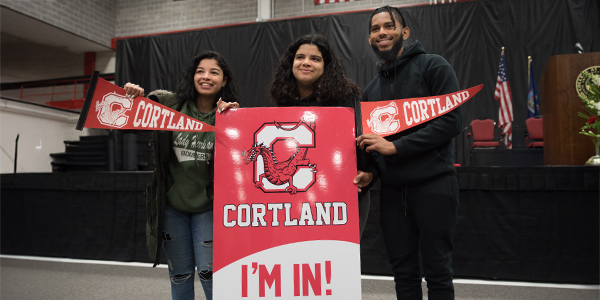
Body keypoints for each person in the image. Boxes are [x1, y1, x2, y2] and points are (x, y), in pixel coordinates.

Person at [356, 6, 462, 300]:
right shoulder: (371, 90)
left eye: (388, 26)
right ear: (369, 39)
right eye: (375, 29)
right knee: (403, 273)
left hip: (435, 185)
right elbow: (373, 147)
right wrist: (371, 172)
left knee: (438, 270)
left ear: (404, 32)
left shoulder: (434, 66)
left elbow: (452, 121)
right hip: (392, 193)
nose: (381, 33)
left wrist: (397, 147)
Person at [124, 51, 240, 300]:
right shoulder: (170, 105)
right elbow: (127, 123)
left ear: (225, 80)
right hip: (172, 206)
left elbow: (244, 159)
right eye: (200, 71)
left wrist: (237, 121)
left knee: (211, 275)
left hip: (209, 206)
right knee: (180, 275)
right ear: (192, 76)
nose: (206, 77)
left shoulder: (229, 115)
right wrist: (134, 99)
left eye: (214, 72)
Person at [269, 34, 375, 238]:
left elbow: (365, 143)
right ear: (291, 63)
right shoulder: (283, 102)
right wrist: (230, 115)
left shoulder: (346, 99)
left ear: (326, 65)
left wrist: (370, 175)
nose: (306, 63)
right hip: (296, 199)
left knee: (339, 260)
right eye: (300, 57)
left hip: (342, 198)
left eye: (315, 58)